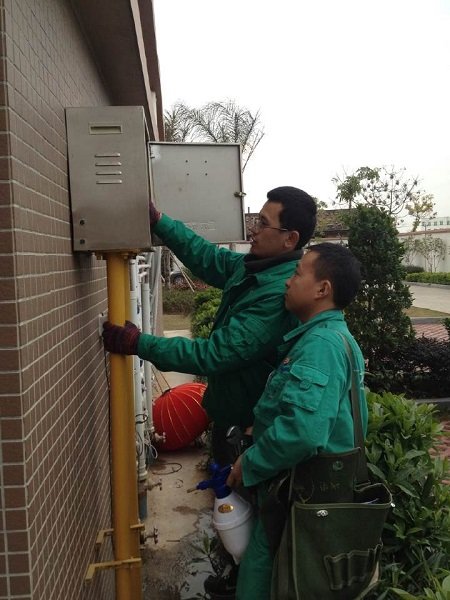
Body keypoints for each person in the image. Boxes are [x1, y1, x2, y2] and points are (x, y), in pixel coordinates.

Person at [102, 186, 317, 467]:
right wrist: (160, 221)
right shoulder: (255, 266)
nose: (253, 229)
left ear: (290, 239)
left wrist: (139, 343)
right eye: (255, 220)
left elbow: (216, 353)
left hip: (246, 428)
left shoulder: (278, 294)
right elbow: (208, 258)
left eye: (263, 223)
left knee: (234, 506)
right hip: (229, 416)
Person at [225, 242, 367, 600]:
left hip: (298, 495)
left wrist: (251, 462)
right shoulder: (327, 338)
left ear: (323, 289)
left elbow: (303, 433)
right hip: (298, 495)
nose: (288, 282)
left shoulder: (321, 344)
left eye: (297, 273)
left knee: (265, 580)